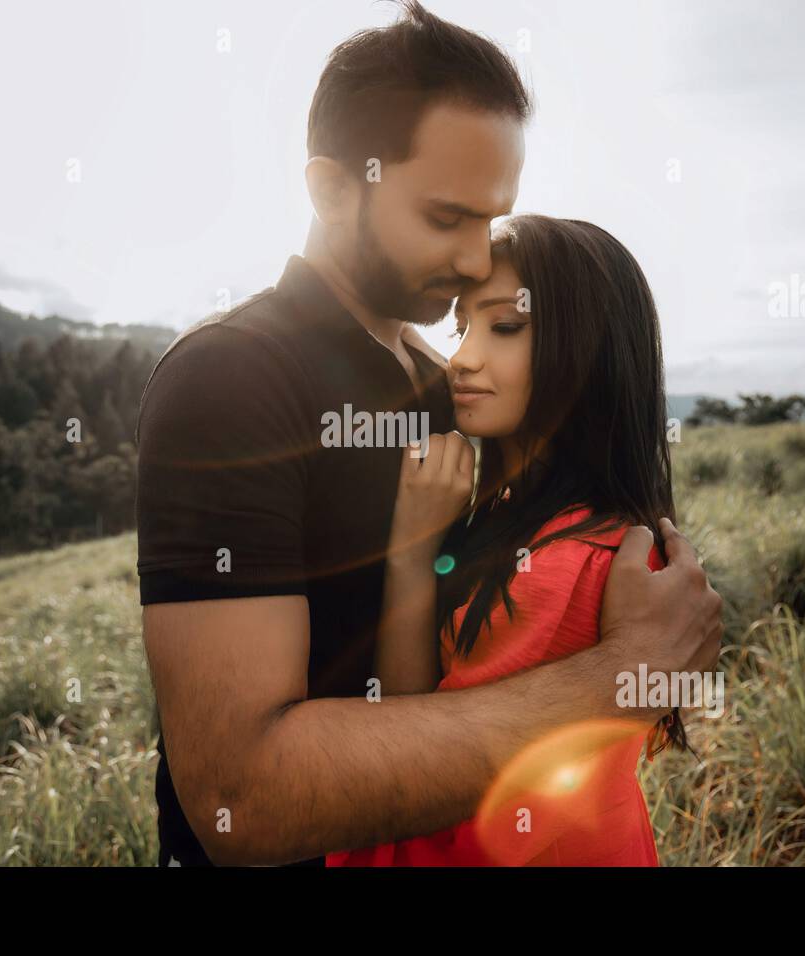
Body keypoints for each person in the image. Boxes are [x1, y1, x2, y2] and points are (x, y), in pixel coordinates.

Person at [135, 1, 723, 867]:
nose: (480, 256)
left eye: (493, 219)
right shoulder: (231, 378)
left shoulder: (442, 382)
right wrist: (624, 676)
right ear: (335, 190)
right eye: (447, 219)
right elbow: (240, 800)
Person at [328, 214, 688, 866]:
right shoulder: (547, 519)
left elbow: (432, 781)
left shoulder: (565, 565)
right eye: (461, 325)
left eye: (505, 326)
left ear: (590, 347)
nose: (463, 357)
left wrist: (411, 549)